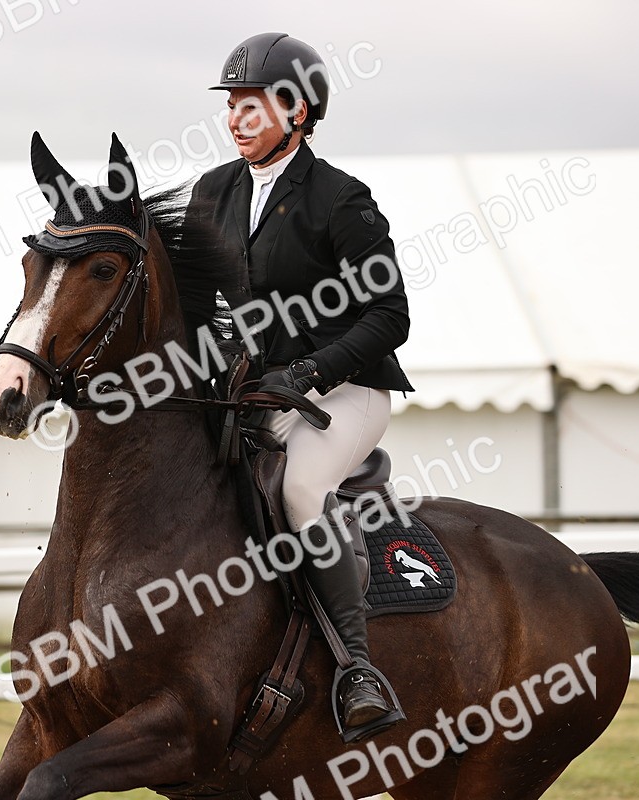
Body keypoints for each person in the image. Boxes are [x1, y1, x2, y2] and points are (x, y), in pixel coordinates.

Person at [189, 32, 414, 741]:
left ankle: (355, 669)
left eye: (254, 106)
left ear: (299, 110)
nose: (237, 118)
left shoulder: (340, 199)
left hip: (343, 390)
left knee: (297, 491)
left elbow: (391, 316)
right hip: (254, 395)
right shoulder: (212, 192)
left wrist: (313, 371)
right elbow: (199, 311)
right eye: (233, 105)